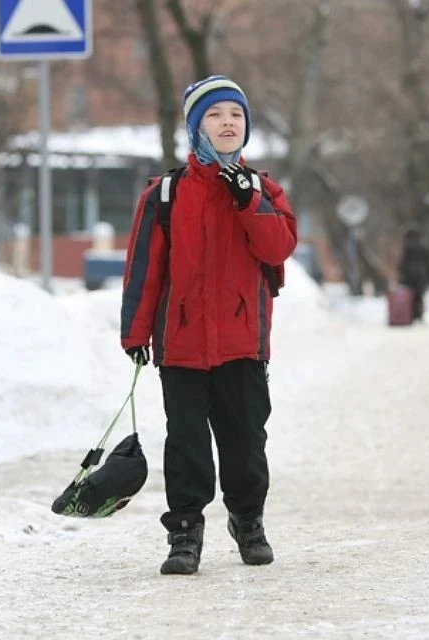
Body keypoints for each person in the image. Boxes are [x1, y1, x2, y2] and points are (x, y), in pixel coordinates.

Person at [120, 75, 298, 576]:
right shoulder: (167, 194)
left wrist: (249, 202)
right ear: (197, 127)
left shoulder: (264, 189)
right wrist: (135, 333)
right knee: (187, 443)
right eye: (215, 115)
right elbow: (143, 270)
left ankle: (247, 519)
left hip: (242, 343)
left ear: (247, 127)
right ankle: (184, 532)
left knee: (245, 442)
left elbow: (278, 249)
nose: (227, 123)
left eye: (236, 115)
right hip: (181, 343)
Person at [397, 227, 429, 322]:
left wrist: (401, 276)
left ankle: (411, 315)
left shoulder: (406, 248)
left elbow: (402, 264)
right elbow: (428, 264)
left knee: (410, 297)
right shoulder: (423, 248)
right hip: (420, 276)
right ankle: (419, 314)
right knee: (419, 296)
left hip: (408, 277)